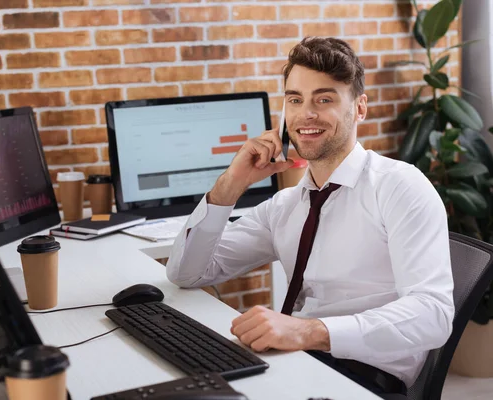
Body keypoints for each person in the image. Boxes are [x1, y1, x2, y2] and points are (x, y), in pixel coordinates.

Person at [166, 36, 454, 397]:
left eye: (325, 99)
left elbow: (433, 314)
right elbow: (187, 273)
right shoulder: (286, 205)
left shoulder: (399, 186)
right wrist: (231, 184)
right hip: (292, 362)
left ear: (360, 108)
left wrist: (309, 331)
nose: (306, 114)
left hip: (361, 377)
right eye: (295, 100)